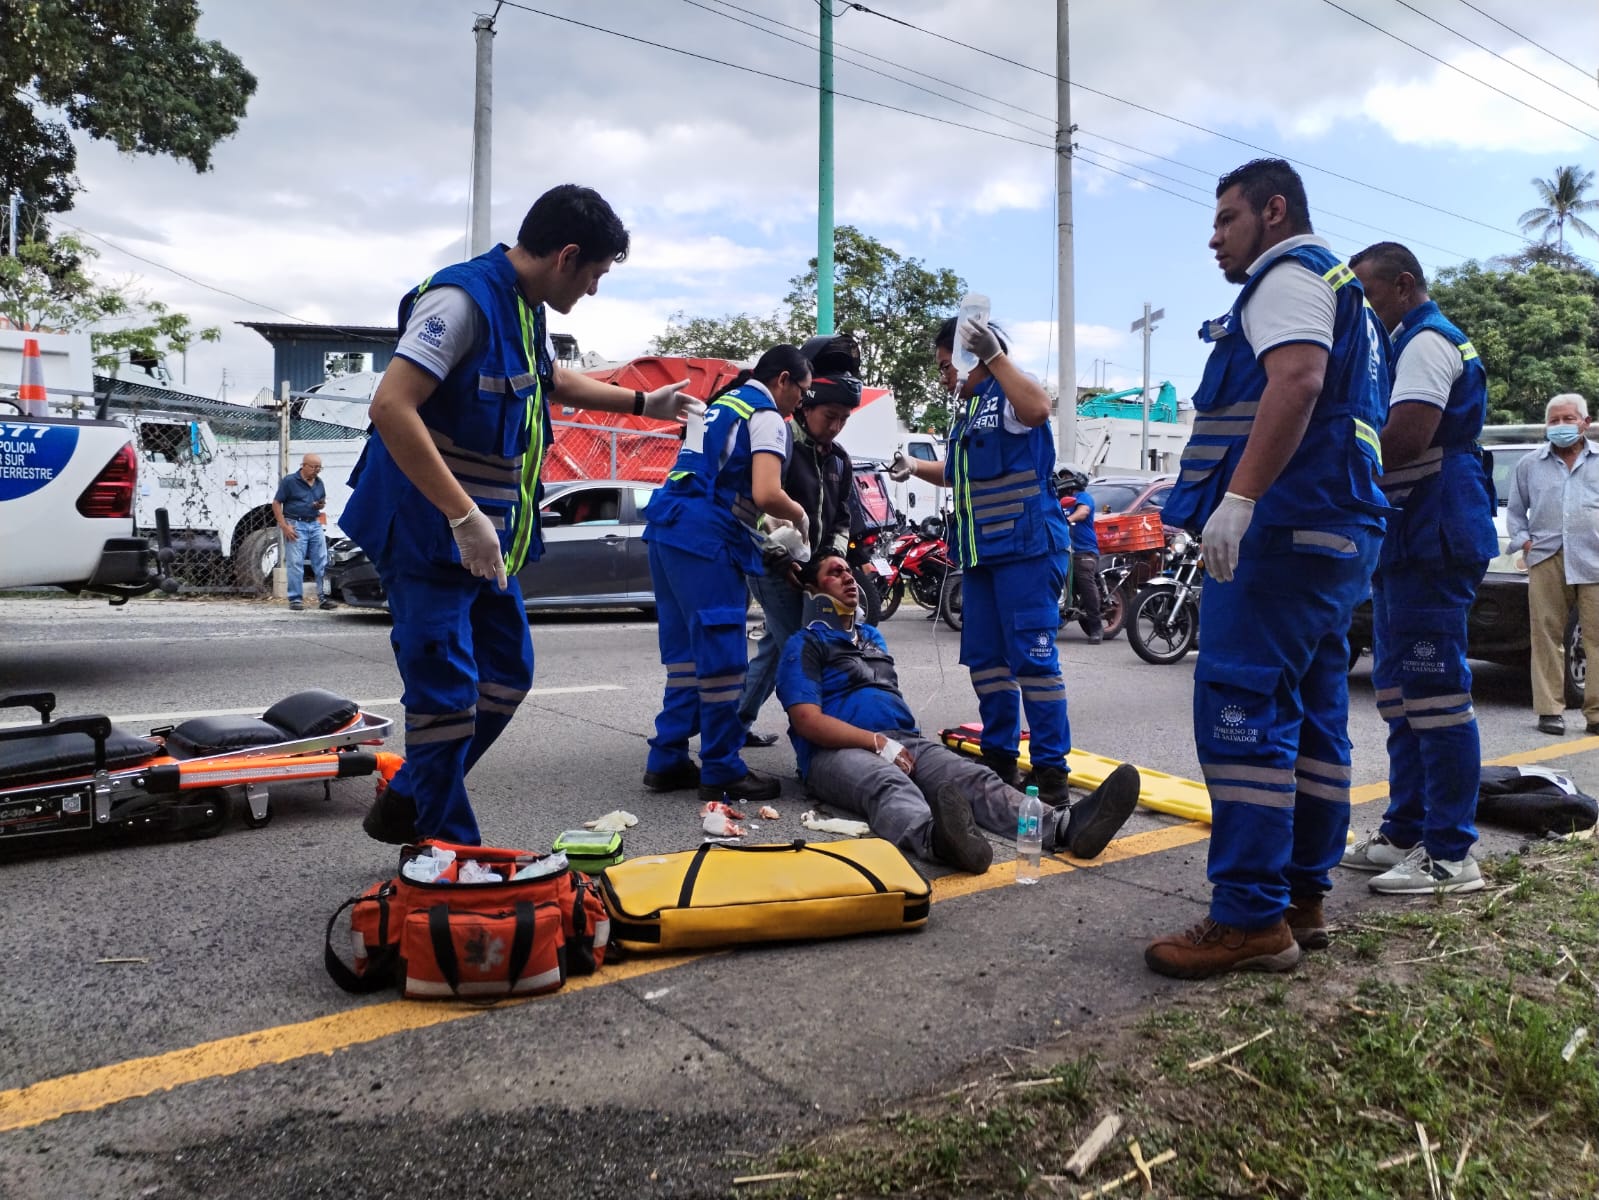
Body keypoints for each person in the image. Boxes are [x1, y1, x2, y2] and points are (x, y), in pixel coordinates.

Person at [345, 184, 700, 846]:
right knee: (445, 696)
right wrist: (461, 516)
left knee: (507, 673)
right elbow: (391, 406)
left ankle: (413, 797)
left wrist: (642, 404)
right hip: (426, 527)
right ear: (566, 256)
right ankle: (448, 852)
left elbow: (552, 380)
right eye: (594, 273)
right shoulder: (460, 301)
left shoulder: (525, 309)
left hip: (487, 536)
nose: (593, 288)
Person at [1144, 159, 1390, 979]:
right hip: (1333, 532)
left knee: (1239, 707)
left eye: (1226, 219)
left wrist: (1240, 498)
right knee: (1313, 717)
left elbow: (1296, 380)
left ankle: (1249, 917)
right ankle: (1300, 901)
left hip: (1284, 530)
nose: (1214, 238)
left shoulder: (1286, 276)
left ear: (1272, 211)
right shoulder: (1344, 294)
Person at [775, 555, 1139, 872]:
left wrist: (892, 743)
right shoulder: (803, 644)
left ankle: (1063, 826)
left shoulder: (872, 637)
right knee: (888, 783)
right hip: (835, 752)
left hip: (901, 740)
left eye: (849, 571)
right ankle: (937, 840)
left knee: (972, 776)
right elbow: (807, 720)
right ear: (812, 590)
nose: (849, 577)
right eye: (834, 573)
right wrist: (876, 743)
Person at [1342, 242, 1498, 895]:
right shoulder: (1402, 343)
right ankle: (1405, 832)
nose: (1364, 311)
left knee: (1435, 694)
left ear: (1404, 286)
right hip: (1408, 536)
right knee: (1400, 695)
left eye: (1370, 296)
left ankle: (1451, 854)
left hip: (1434, 535)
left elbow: (1406, 434)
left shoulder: (1427, 342)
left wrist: (1336, 468)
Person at [893, 317, 1078, 806]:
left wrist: (995, 355)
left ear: (969, 356)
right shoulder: (970, 411)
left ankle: (1051, 774)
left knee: (1034, 663)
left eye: (945, 365)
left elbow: (1039, 408)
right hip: (980, 556)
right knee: (988, 664)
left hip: (1026, 550)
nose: (942, 376)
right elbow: (957, 473)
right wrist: (915, 466)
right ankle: (999, 760)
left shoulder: (1008, 394)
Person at [642, 344, 811, 805]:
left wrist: (762, 523)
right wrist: (798, 515)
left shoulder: (720, 406)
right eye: (802, 390)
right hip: (706, 539)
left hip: (667, 529)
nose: (801, 401)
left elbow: (718, 480)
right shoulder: (767, 414)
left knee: (685, 659)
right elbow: (767, 491)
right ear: (782, 380)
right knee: (722, 658)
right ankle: (722, 768)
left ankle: (667, 758)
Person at [738, 334, 862, 748]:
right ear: (805, 406)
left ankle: (734, 725)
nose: (836, 426)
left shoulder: (839, 459)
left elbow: (841, 518)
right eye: (830, 415)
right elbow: (758, 508)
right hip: (772, 567)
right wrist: (779, 558)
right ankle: (823, 738)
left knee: (776, 649)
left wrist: (831, 560)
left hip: (812, 571)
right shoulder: (781, 443)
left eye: (844, 418)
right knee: (806, 647)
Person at [1505, 393, 1599, 736]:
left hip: (1595, 557)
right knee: (1545, 634)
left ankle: (1596, 713)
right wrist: (1525, 542)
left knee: (1596, 637)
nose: (1560, 426)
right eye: (1554, 420)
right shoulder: (1530, 464)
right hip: (1547, 556)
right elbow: (1516, 512)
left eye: (1568, 419)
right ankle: (1549, 710)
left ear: (1585, 423)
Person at [273, 453, 335, 612]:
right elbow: (276, 503)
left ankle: (325, 597)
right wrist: (284, 526)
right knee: (295, 562)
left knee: (322, 561)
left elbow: (321, 501)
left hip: (314, 523)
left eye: (319, 468)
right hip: (295, 524)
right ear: (304, 466)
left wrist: (320, 505)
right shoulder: (290, 481)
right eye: (314, 467)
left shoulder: (319, 483)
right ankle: (295, 599)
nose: (317, 471)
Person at [1057, 468, 1104, 643]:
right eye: (1062, 477)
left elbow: (1083, 511)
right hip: (1063, 549)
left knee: (1084, 579)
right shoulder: (1059, 499)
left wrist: (1068, 520)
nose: (1064, 480)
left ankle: (1096, 627)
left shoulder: (1083, 497)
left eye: (1067, 477)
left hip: (1083, 551)